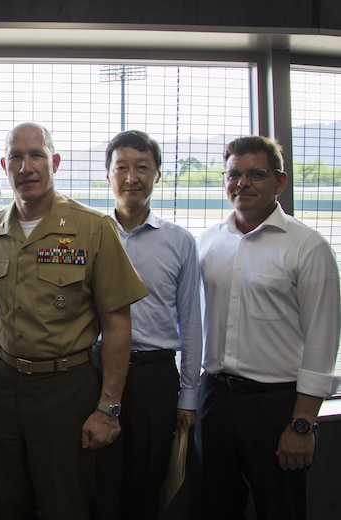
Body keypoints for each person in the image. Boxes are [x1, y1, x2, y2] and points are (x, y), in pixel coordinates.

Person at [0, 122, 149, 520]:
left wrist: (108, 408)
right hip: (5, 383)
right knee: (5, 499)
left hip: (65, 387)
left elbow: (117, 323)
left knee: (63, 503)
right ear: (4, 165)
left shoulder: (93, 228)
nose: (26, 166)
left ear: (55, 162)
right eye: (16, 156)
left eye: (36, 155)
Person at [196, 135, 340, 520]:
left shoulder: (307, 247)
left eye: (255, 174)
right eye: (233, 174)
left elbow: (322, 342)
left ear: (279, 182)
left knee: (281, 508)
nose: (242, 183)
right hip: (216, 400)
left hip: (276, 405)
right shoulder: (208, 243)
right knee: (214, 506)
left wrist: (303, 423)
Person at [93, 130, 202, 520]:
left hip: (154, 379)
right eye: (121, 167)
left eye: (142, 167)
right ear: (107, 175)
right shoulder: (92, 236)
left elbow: (191, 322)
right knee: (99, 483)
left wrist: (188, 394)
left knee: (146, 484)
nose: (131, 176)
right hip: (97, 372)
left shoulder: (180, 242)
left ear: (158, 175)